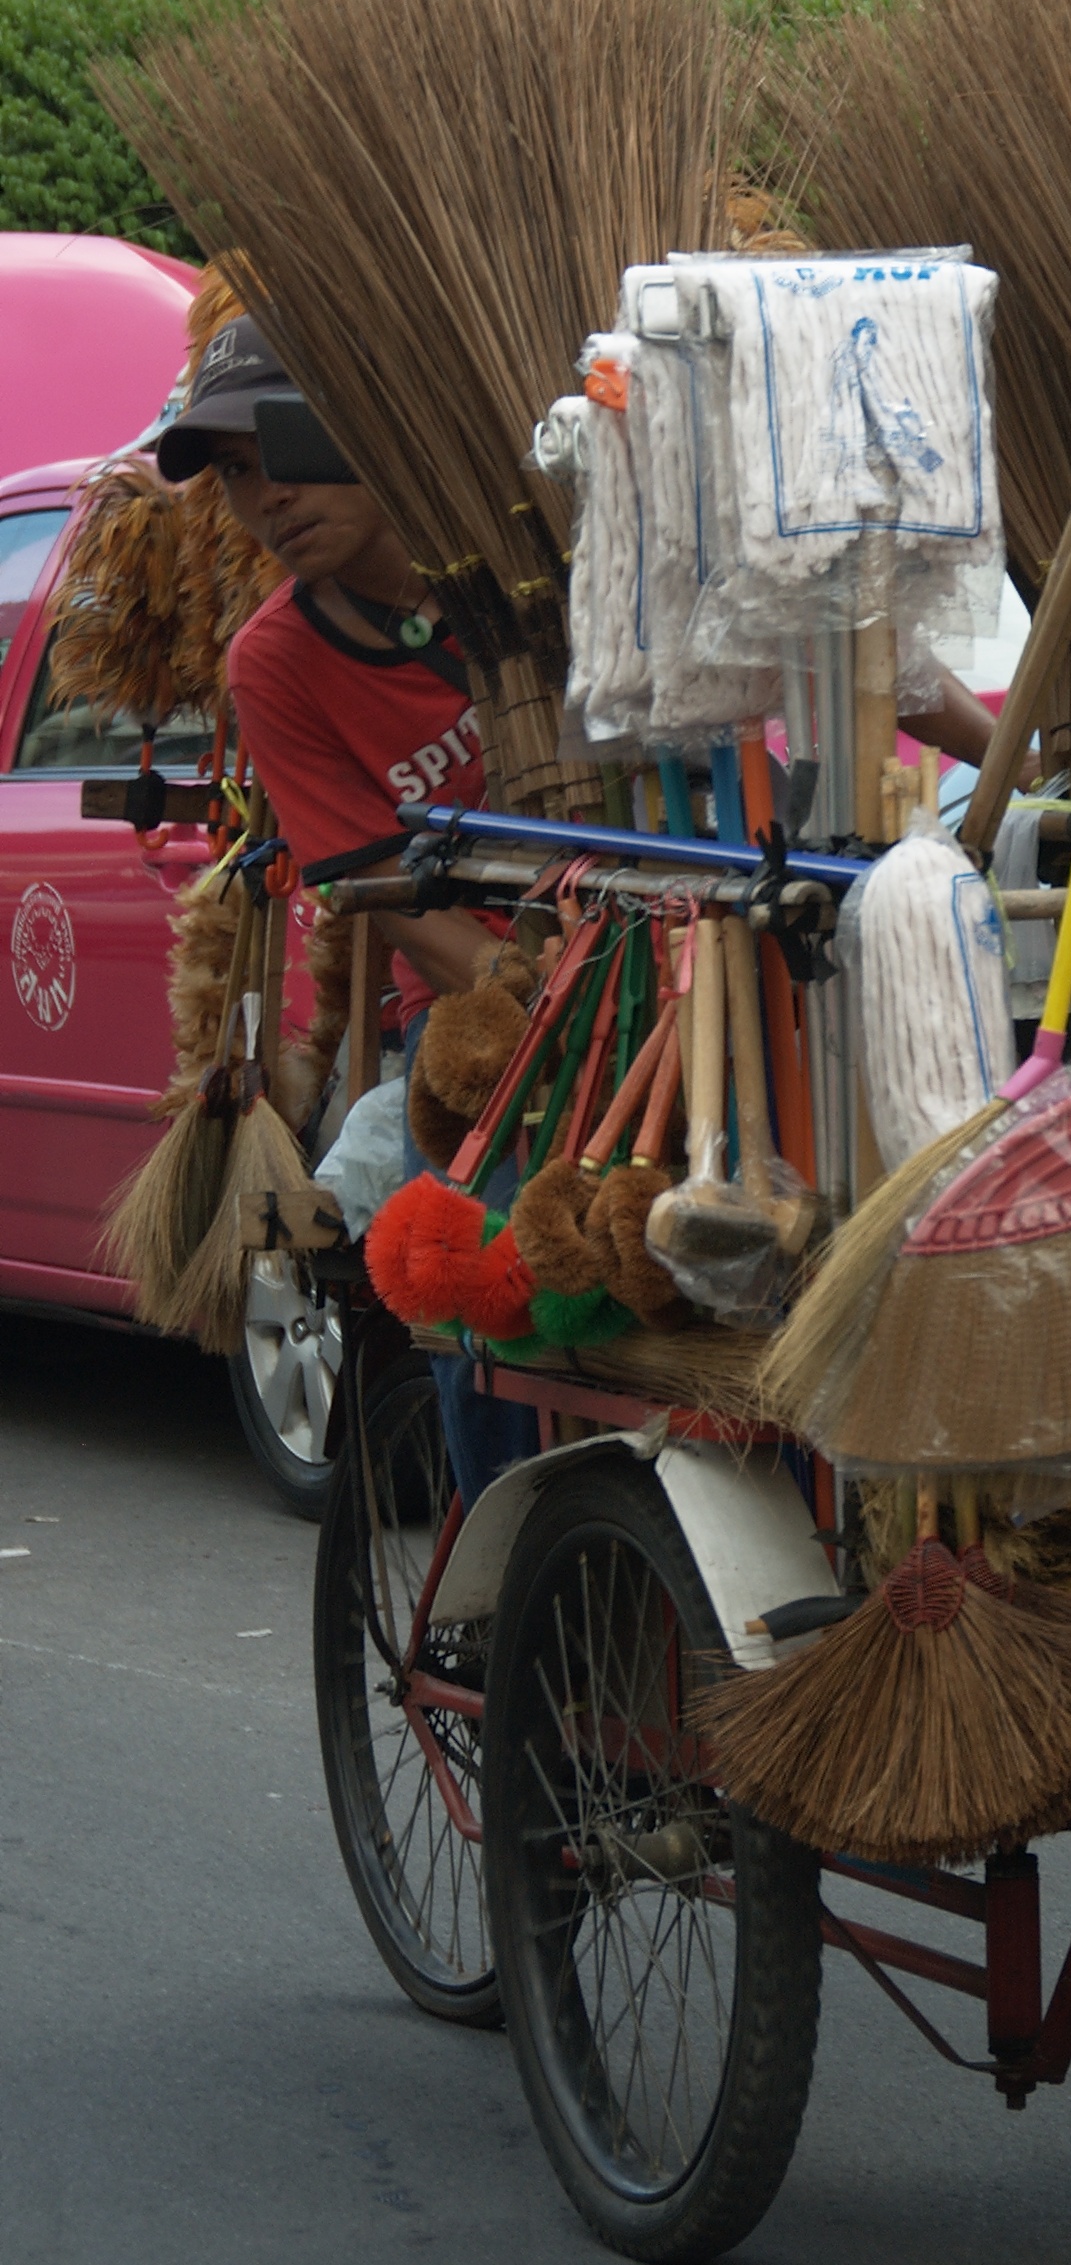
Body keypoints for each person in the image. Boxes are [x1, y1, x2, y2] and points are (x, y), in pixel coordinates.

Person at [158, 312, 1004, 1501]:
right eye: (234, 478)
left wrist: (1019, 767)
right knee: (489, 1265)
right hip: (489, 1026)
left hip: (699, 963)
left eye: (279, 449)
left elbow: (834, 656)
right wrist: (539, 993)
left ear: (363, 423)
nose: (265, 498)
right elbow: (371, 882)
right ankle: (504, 1565)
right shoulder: (277, 662)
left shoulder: (549, 551)